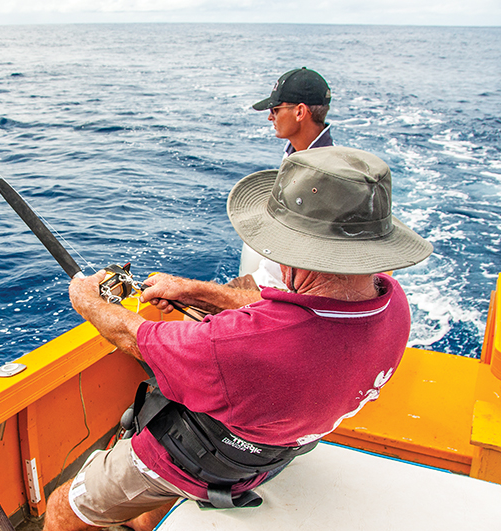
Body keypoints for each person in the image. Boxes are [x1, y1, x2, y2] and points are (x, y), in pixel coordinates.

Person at [42, 146, 432, 531]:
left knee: (66, 505)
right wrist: (193, 291)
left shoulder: (239, 345)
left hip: (201, 459)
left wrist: (87, 300)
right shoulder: (392, 302)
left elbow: (132, 336)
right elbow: (279, 308)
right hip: (280, 452)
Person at [236, 67, 334, 293]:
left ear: (300, 112)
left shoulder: (325, 176)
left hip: (286, 293)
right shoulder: (294, 154)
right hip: (269, 278)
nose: (270, 116)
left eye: (275, 109)